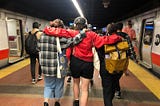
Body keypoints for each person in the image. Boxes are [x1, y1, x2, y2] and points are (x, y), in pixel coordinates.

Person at [42, 17, 122, 106]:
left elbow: (59, 31)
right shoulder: (92, 34)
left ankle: (76, 101)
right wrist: (117, 37)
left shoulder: (73, 33)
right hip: (87, 63)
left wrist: (47, 29)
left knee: (76, 83)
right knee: (85, 89)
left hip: (75, 62)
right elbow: (104, 41)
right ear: (85, 25)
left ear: (75, 25)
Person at [38, 19, 87, 106]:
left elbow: (38, 48)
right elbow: (72, 42)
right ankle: (57, 102)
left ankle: (46, 102)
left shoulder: (42, 35)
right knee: (59, 84)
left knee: (48, 84)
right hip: (58, 66)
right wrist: (82, 33)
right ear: (60, 28)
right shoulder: (60, 37)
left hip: (46, 66)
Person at [115, 22, 136, 99]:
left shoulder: (113, 35)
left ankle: (117, 90)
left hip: (114, 59)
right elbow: (130, 48)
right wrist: (134, 57)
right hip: (124, 58)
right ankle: (117, 89)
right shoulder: (126, 36)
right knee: (118, 74)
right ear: (122, 28)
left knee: (115, 75)